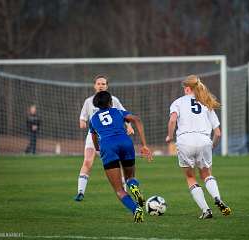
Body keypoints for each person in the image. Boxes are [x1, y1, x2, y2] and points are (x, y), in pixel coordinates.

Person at [165, 75, 232, 219]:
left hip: (185, 141)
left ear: (188, 88)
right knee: (206, 174)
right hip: (204, 140)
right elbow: (218, 133)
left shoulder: (178, 102)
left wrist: (170, 136)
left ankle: (206, 210)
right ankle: (217, 198)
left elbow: (172, 120)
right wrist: (212, 146)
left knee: (190, 177)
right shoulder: (206, 103)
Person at [89, 91, 153, 223]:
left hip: (108, 146)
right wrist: (144, 145)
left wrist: (98, 148)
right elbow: (137, 120)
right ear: (110, 102)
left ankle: (136, 209)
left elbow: (94, 139)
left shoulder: (93, 119)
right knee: (130, 177)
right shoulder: (118, 112)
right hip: (125, 142)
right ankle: (135, 188)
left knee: (119, 189)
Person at [75, 75, 134, 201]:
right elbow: (82, 118)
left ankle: (124, 191)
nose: (100, 86)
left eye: (103, 84)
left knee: (118, 165)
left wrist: (129, 126)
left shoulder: (113, 100)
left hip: (111, 137)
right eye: (98, 83)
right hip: (94, 137)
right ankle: (80, 192)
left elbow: (125, 115)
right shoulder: (88, 101)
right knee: (87, 162)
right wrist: (83, 122)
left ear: (107, 86)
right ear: (94, 86)